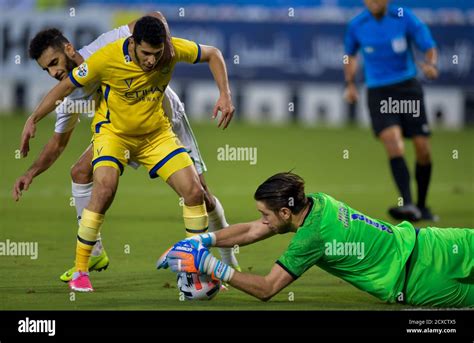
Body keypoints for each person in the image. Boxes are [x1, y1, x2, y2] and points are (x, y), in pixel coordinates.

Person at [12, 13, 239, 283]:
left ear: (69, 50)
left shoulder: (108, 45)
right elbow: (58, 143)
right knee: (80, 172)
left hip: (163, 119)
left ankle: (225, 258)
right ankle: (92, 253)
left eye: (54, 63)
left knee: (201, 195)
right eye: (45, 69)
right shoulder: (72, 89)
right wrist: (31, 171)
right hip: (117, 131)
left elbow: (155, 17)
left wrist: (162, 44)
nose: (53, 72)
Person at [158, 172, 473, 308]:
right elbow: (254, 230)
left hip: (419, 281)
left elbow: (267, 289)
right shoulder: (318, 202)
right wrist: (205, 240)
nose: (263, 221)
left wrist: (210, 266)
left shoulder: (310, 239)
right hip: (437, 243)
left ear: (284, 211)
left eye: (266, 214)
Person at [343, 0, 439, 222]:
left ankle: (422, 205)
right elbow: (350, 55)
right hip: (379, 91)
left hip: (407, 87)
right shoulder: (357, 25)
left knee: (423, 149)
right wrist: (349, 83)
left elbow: (428, 45)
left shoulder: (404, 17)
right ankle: (408, 204)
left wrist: (431, 64)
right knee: (393, 143)